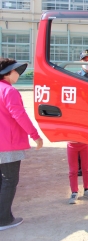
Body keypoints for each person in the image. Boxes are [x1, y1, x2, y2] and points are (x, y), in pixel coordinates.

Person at [0, 58, 44, 231]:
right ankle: (3, 219)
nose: (18, 74)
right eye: (16, 71)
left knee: (2, 181)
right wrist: (35, 135)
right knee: (9, 180)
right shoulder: (9, 91)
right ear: (9, 73)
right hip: (8, 144)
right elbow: (20, 116)